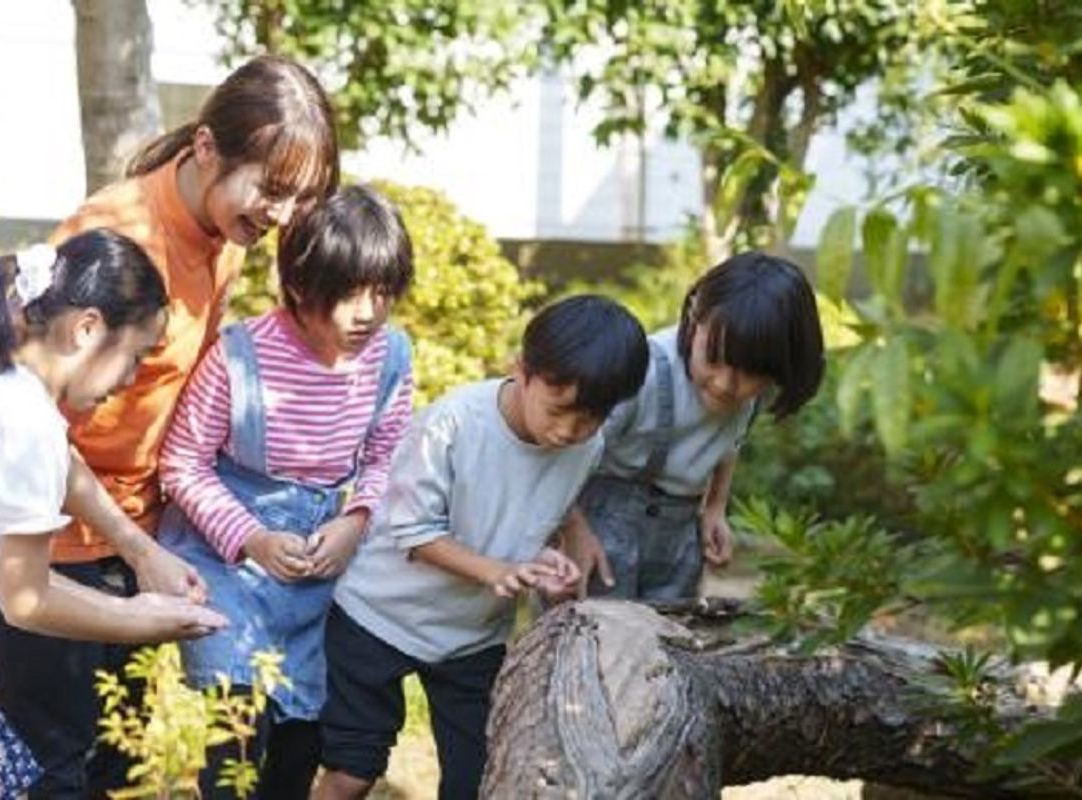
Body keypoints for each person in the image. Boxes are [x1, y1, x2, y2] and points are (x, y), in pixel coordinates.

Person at [0, 54, 341, 797]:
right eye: (272, 190)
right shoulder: (115, 242)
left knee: (117, 763)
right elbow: (34, 429)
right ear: (207, 148)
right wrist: (136, 550)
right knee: (53, 774)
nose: (280, 216)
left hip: (133, 536)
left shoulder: (225, 235)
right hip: (58, 542)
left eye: (297, 199)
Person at [0, 231, 227, 799]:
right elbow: (28, 599)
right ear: (86, 329)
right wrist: (142, 618)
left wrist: (142, 552)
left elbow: (66, 470)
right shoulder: (23, 422)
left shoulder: (0, 392)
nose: (133, 379)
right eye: (136, 355)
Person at [316, 295, 650, 800]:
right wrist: (496, 570)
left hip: (471, 638)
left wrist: (547, 567)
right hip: (376, 617)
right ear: (521, 370)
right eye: (559, 410)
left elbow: (533, 518)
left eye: (591, 419)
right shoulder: (452, 425)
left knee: (480, 779)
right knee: (352, 773)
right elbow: (415, 534)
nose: (570, 431)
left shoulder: (586, 448)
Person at [157, 185, 415, 799]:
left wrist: (355, 521)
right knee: (238, 739)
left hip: (322, 558)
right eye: (350, 293)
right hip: (230, 563)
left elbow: (387, 458)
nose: (369, 313)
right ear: (301, 286)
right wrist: (251, 538)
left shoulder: (390, 358)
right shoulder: (239, 358)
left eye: (382, 292)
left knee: (301, 740)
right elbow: (184, 462)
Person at [564, 251, 825, 600]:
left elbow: (728, 443)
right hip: (600, 526)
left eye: (752, 374)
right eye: (714, 359)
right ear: (694, 317)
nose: (726, 384)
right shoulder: (642, 374)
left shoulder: (750, 397)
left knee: (668, 642)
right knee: (598, 640)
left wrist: (715, 506)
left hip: (678, 533)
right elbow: (562, 458)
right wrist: (573, 532)